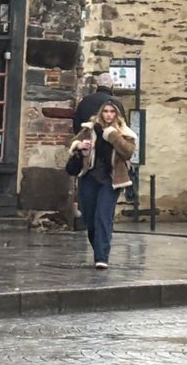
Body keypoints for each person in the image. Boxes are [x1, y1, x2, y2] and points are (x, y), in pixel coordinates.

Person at [67, 101, 136, 269]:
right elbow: (73, 142)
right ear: (101, 113)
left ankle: (102, 256)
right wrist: (80, 146)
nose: (109, 115)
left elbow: (128, 152)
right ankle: (98, 247)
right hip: (89, 177)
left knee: (103, 216)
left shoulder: (124, 132)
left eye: (112, 112)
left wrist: (112, 135)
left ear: (117, 115)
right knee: (89, 218)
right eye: (105, 111)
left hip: (111, 179)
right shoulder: (90, 129)